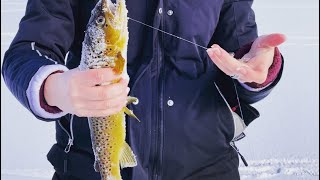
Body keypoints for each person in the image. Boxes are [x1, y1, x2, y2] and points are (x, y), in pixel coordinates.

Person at [2, 0, 285, 179]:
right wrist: (54, 87)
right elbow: (25, 53)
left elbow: (241, 60)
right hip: (87, 166)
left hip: (209, 167)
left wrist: (257, 71)